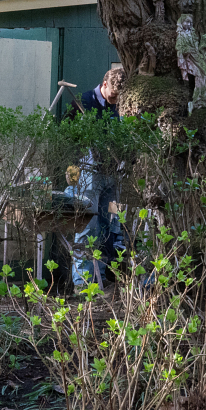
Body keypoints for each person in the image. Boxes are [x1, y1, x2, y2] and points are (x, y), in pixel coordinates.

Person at [65, 68, 125, 291]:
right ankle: (82, 281)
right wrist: (73, 167)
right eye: (112, 96)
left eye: (118, 98)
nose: (114, 101)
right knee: (87, 225)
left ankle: (102, 276)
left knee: (111, 222)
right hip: (89, 174)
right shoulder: (84, 102)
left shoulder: (120, 105)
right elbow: (67, 134)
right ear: (104, 84)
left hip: (114, 176)